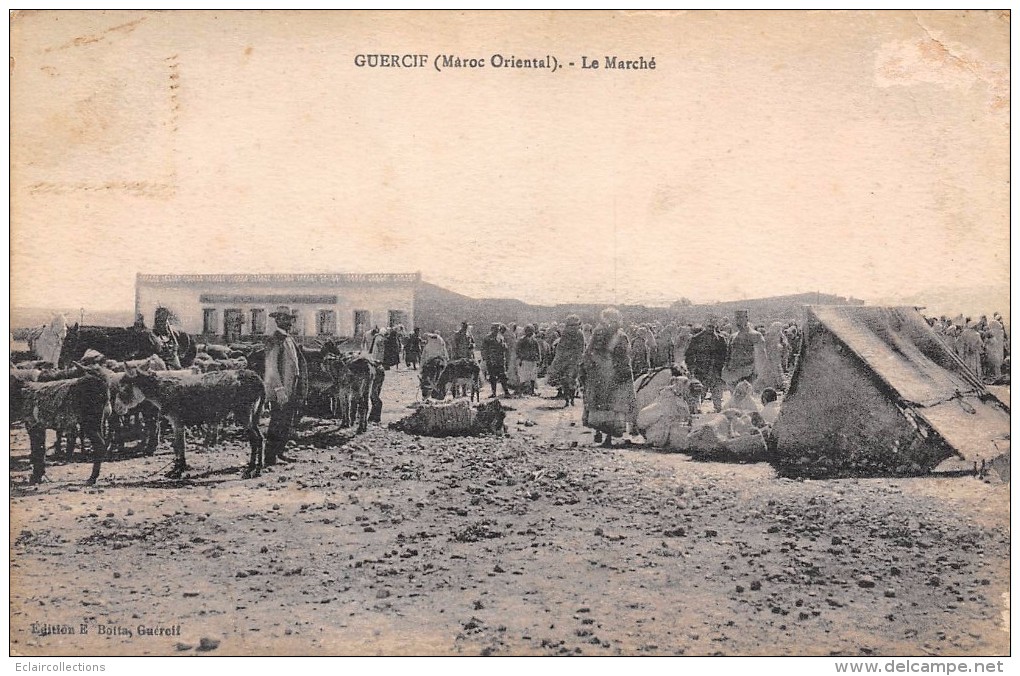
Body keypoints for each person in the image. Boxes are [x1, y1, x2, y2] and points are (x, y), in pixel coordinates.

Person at [581, 307, 638, 447]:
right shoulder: (621, 335)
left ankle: (599, 432)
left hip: (598, 375)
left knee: (598, 404)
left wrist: (588, 369)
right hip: (613, 375)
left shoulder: (597, 333)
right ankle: (608, 437)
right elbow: (625, 357)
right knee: (613, 406)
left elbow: (588, 352)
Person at [264, 306, 308, 466]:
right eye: (285, 319)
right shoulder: (274, 339)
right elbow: (271, 367)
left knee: (287, 422)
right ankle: (269, 457)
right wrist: (279, 389)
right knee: (277, 421)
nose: (289, 322)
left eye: (290, 319)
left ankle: (280, 452)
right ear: (278, 320)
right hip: (281, 390)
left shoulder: (288, 338)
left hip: (292, 388)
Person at [685, 319, 728, 412]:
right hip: (701, 373)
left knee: (718, 400)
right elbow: (689, 356)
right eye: (709, 326)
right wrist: (692, 369)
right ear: (704, 325)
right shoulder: (696, 339)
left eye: (713, 326)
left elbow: (725, 355)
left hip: (716, 373)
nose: (711, 328)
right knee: (698, 397)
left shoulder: (720, 339)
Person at [723, 309, 768, 392]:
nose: (738, 321)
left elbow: (762, 357)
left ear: (746, 319)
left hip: (748, 374)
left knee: (745, 399)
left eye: (741, 318)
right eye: (736, 318)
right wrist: (726, 370)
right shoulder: (733, 336)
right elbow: (728, 355)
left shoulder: (755, 335)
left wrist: (757, 375)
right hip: (733, 374)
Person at [546, 314, 585, 403]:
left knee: (569, 379)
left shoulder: (573, 333)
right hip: (569, 360)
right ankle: (569, 398)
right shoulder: (572, 333)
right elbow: (562, 347)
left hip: (570, 359)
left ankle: (569, 398)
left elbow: (580, 347)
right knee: (568, 379)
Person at [481, 323, 512, 398]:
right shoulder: (487, 338)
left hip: (500, 360)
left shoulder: (500, 337)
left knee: (503, 376)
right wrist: (485, 358)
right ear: (492, 329)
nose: (496, 331)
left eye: (497, 329)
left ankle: (506, 392)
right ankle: (494, 393)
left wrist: (503, 345)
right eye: (495, 329)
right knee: (492, 377)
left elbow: (505, 348)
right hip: (491, 360)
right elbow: (483, 349)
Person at [516, 325, 541, 395]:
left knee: (532, 377)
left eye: (531, 331)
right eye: (528, 331)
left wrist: (538, 359)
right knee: (523, 377)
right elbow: (518, 350)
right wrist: (520, 359)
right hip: (525, 360)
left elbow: (538, 351)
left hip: (532, 360)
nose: (529, 333)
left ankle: (532, 391)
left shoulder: (534, 341)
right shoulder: (521, 340)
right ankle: (521, 392)